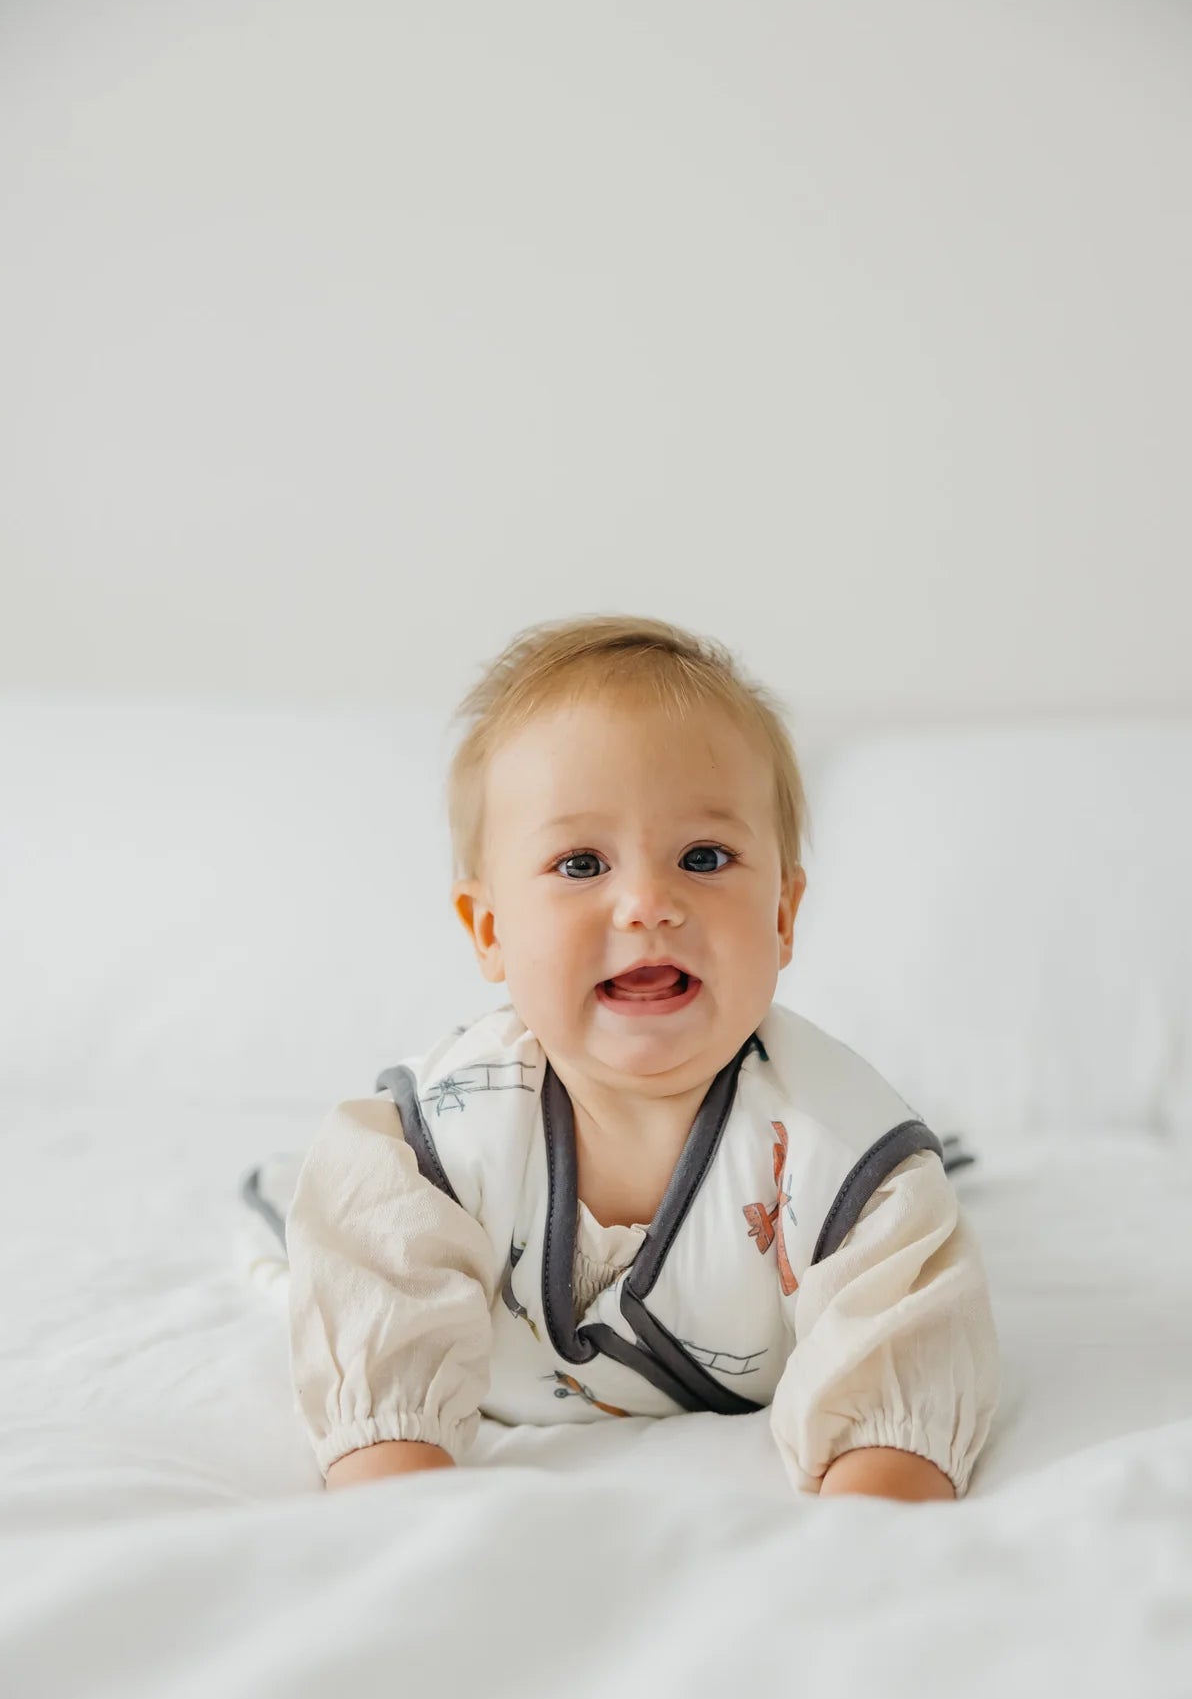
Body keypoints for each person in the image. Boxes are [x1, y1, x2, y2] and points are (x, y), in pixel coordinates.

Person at [285, 615, 1000, 1502]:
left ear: (782, 915)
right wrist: (402, 1495)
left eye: (704, 857)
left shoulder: (845, 1158)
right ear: (491, 929)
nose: (648, 903)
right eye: (581, 862)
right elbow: (371, 1311)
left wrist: (868, 1508)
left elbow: (911, 1352)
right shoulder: (432, 1150)